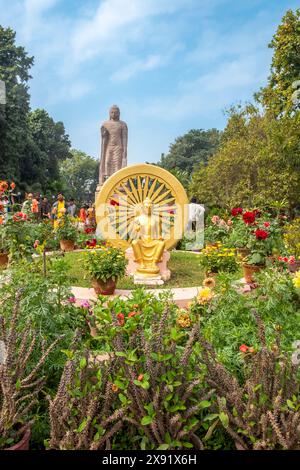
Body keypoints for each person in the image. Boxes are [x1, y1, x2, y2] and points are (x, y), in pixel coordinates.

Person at [98, 105, 128, 187]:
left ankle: (117, 181)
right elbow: (104, 137)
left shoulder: (122, 124)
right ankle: (107, 180)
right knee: (107, 162)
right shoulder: (105, 124)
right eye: (112, 112)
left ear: (119, 113)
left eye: (116, 112)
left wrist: (125, 150)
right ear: (109, 113)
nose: (114, 114)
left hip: (118, 147)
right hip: (109, 147)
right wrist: (103, 135)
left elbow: (124, 138)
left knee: (117, 164)